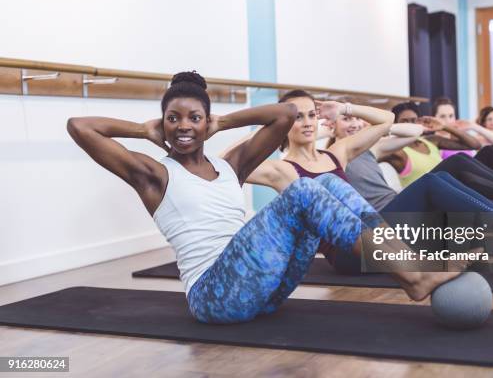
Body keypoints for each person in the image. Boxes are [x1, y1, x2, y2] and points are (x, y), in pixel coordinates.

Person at [67, 72, 470, 324]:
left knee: (327, 184)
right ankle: (414, 275)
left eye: (194, 117)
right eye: (173, 118)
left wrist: (221, 121)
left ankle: (410, 267)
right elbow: (80, 126)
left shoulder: (231, 167)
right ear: (163, 124)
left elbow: (282, 115)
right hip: (213, 296)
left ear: (207, 123)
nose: (184, 126)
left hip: (264, 292)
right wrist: (143, 130)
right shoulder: (153, 174)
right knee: (304, 189)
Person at [242, 89, 493, 275]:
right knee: (431, 183)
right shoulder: (281, 168)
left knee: (446, 172)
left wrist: (345, 108)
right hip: (349, 253)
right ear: (283, 123)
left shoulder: (336, 154)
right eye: (297, 117)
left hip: (380, 232)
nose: (309, 121)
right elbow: (230, 164)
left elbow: (386, 121)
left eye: (312, 114)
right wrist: (268, 120)